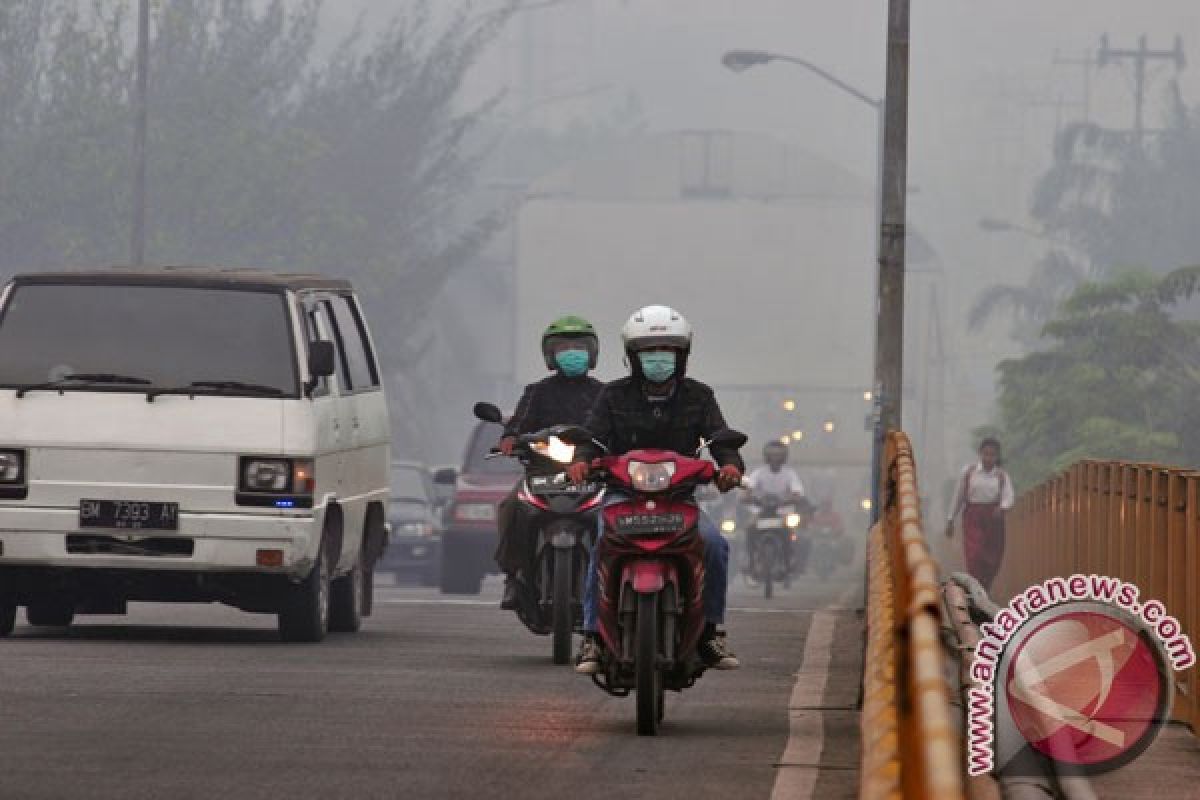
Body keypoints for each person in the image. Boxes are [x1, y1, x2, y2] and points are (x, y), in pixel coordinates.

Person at [567, 304, 744, 673]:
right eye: (649, 352)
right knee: (601, 543)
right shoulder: (613, 396)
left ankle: (710, 630)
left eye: (666, 351)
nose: (658, 359)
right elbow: (592, 438)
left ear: (682, 356)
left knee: (714, 545)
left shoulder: (700, 395)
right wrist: (581, 460)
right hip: (622, 495)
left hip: (679, 498)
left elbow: (719, 438)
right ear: (633, 356)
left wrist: (729, 465)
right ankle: (593, 636)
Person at [494, 315, 604, 610]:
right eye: (564, 346)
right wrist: (510, 438)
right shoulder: (537, 391)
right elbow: (518, 423)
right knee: (511, 507)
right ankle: (513, 577)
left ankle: (612, 581)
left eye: (579, 346)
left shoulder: (604, 393)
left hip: (592, 473)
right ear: (550, 355)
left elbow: (614, 428)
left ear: (592, 353)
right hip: (542, 471)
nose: (572, 352)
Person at [944, 437, 1014, 592]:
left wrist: (1002, 508)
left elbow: (1009, 496)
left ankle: (984, 587)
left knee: (993, 557)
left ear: (997, 456)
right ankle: (975, 588)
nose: (989, 458)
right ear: (980, 454)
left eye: (992, 455)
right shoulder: (969, 472)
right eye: (986, 454)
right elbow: (959, 496)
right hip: (973, 517)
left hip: (994, 519)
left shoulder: (1001, 476)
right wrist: (950, 519)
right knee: (975, 554)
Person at [745, 440, 811, 572]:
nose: (775, 458)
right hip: (761, 512)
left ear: (784, 457)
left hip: (783, 512)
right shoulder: (759, 473)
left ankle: (788, 560)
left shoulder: (789, 474)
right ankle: (751, 560)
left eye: (778, 455)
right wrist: (746, 496)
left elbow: (797, 492)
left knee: (790, 533)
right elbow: (748, 489)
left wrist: (793, 498)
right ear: (767, 456)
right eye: (772, 455)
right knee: (750, 529)